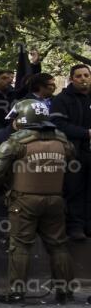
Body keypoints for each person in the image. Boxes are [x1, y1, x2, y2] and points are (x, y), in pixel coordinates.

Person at [0, 99, 78, 304]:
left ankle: (17, 291)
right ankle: (65, 290)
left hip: (24, 199)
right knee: (58, 245)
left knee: (19, 245)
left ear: (23, 118)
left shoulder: (16, 142)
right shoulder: (63, 140)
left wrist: (3, 186)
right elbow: (72, 163)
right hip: (55, 198)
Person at [50, 63, 91, 241]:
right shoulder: (62, 99)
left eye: (86, 75)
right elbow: (58, 125)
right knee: (74, 189)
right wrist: (86, 133)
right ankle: (75, 226)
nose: (83, 79)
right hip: (73, 152)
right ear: (72, 79)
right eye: (79, 76)